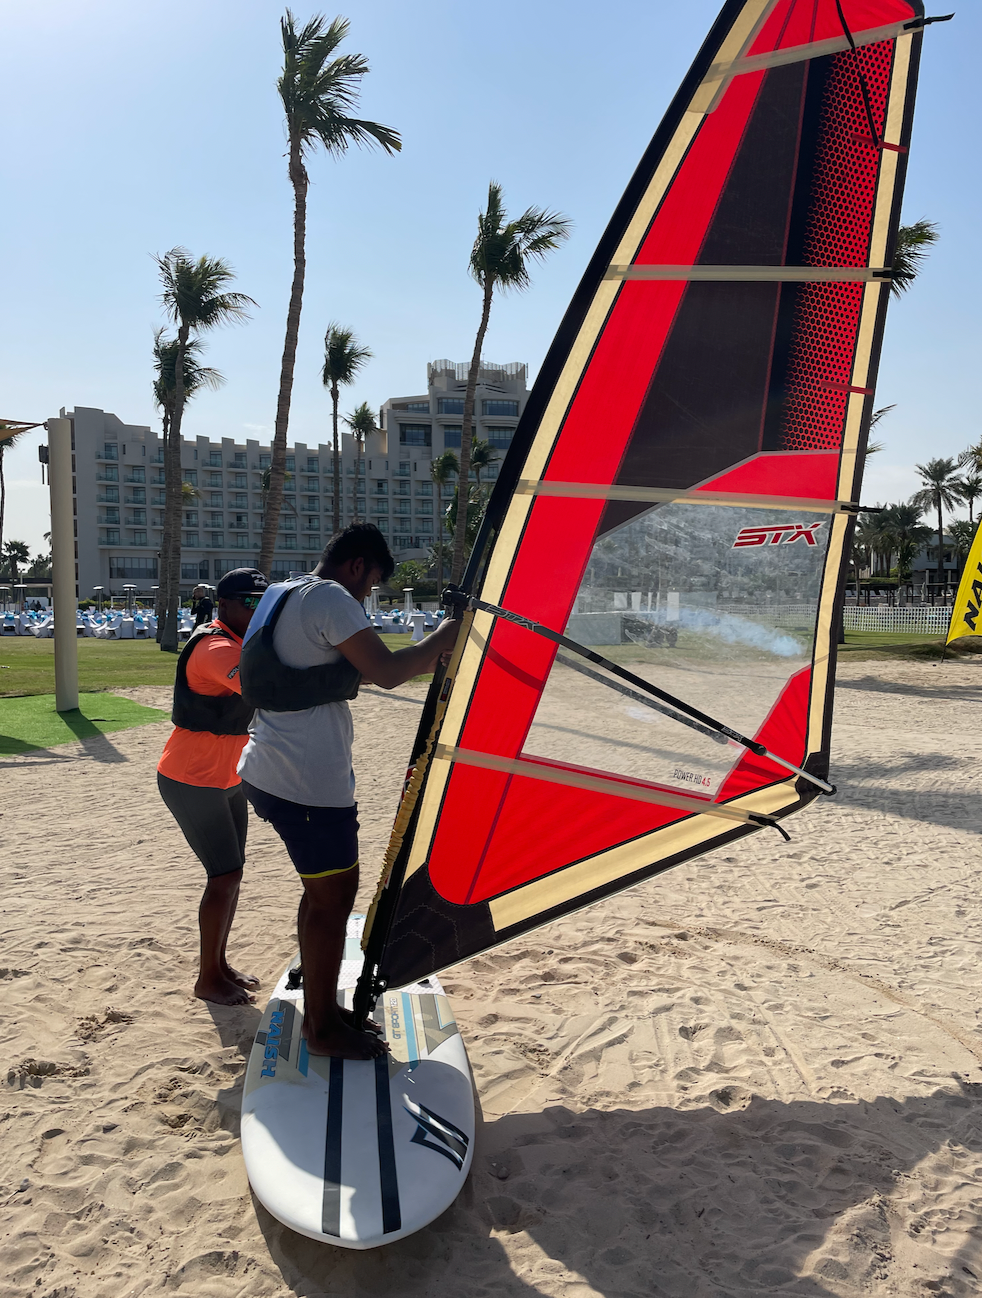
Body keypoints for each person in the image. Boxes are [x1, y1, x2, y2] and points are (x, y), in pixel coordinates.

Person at [237, 523, 458, 1060]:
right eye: (374, 582)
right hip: (307, 783)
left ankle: (320, 1008)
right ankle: (322, 1030)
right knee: (334, 898)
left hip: (266, 768)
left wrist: (430, 652)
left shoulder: (282, 592)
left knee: (321, 896)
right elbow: (386, 673)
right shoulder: (333, 597)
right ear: (358, 566)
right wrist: (446, 635)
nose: (369, 595)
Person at [157, 567, 269, 1006]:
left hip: (227, 779)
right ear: (224, 605)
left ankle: (219, 965)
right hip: (191, 779)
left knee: (232, 875)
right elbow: (264, 689)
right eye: (251, 602)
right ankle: (207, 978)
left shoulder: (241, 643)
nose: (259, 611)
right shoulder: (216, 647)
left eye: (265, 602)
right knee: (224, 875)